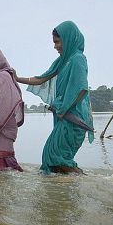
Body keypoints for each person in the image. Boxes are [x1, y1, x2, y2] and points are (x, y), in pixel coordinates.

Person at [13, 21, 93, 174]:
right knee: (53, 157)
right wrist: (17, 78)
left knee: (56, 157)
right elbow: (41, 79)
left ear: (68, 38)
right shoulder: (63, 61)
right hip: (64, 115)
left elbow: (82, 90)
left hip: (73, 116)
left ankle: (83, 181)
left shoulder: (77, 59)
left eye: (57, 41)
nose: (55, 46)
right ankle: (72, 187)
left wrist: (64, 109)